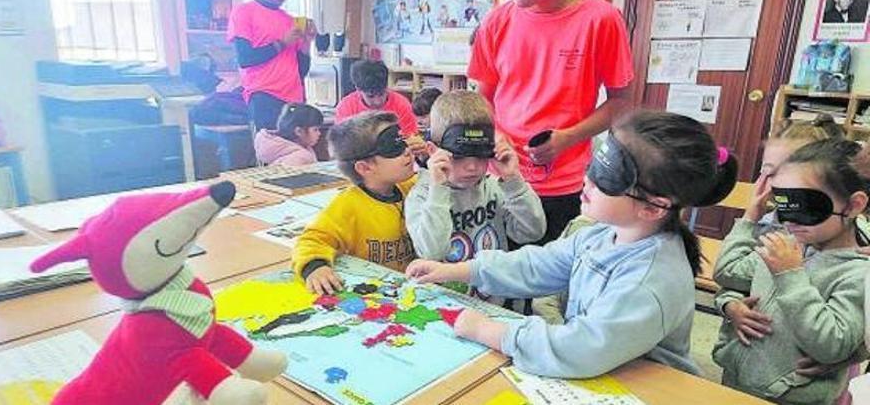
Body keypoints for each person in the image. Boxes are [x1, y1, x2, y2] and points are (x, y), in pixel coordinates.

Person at [406, 111, 737, 378]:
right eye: (593, 165)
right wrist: (456, 270)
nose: (586, 179)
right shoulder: (603, 234)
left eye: (606, 178)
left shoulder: (650, 279)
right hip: (603, 372)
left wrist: (490, 331)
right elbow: (538, 265)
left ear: (652, 207)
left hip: (643, 388)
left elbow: (580, 349)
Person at [469, 0, 634, 245]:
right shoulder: (496, 21)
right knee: (493, 280)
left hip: (563, 186)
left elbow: (620, 103)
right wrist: (496, 135)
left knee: (547, 288)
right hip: (497, 180)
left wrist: (567, 138)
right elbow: (480, 99)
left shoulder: (601, 20)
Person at [712, 138, 870, 404]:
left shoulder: (856, 272)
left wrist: (790, 276)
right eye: (783, 203)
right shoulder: (786, 243)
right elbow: (729, 273)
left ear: (853, 205)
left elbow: (832, 346)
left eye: (806, 205)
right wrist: (729, 304)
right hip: (737, 382)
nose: (789, 220)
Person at [405, 92, 545, 302]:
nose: (472, 166)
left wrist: (513, 179)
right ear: (433, 151)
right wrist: (439, 189)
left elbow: (532, 232)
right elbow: (432, 252)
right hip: (445, 306)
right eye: (459, 156)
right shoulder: (423, 195)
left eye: (481, 155)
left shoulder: (494, 186)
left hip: (497, 306)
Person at [293, 112, 417, 295]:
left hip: (414, 287)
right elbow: (312, 239)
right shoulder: (348, 205)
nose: (407, 151)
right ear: (365, 167)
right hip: (375, 294)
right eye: (392, 148)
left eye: (403, 141)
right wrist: (316, 267)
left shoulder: (413, 189)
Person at [227, 0, 316, 130]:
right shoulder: (244, 12)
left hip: (294, 98)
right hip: (264, 96)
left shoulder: (290, 20)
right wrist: (282, 43)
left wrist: (306, 44)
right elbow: (245, 58)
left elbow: (301, 71)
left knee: (299, 155)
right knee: (271, 154)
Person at [335, 60, 420, 138]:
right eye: (370, 96)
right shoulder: (346, 107)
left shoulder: (402, 104)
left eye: (381, 94)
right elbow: (343, 145)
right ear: (358, 88)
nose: (378, 101)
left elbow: (411, 139)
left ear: (387, 86)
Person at [253, 103, 324, 166]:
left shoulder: (279, 147)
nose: (319, 133)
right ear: (299, 131)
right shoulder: (301, 158)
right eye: (315, 130)